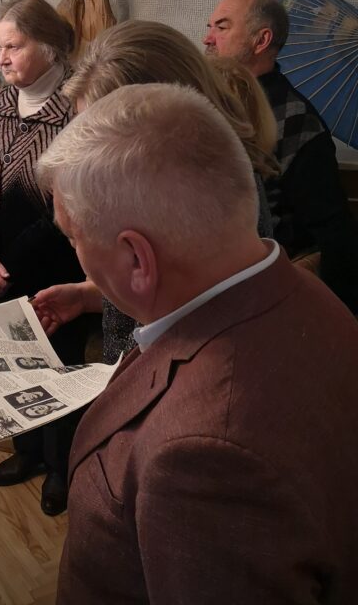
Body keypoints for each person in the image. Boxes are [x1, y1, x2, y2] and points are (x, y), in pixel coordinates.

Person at [37, 83, 358, 604]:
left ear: (137, 259)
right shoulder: (297, 290)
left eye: (73, 236)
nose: (75, 250)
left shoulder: (202, 458)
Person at [33, 20, 278, 364]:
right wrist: (89, 296)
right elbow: (164, 282)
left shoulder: (215, 192)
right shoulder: (161, 178)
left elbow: (193, 315)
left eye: (96, 134)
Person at [0, 0, 89, 515]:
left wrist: (4, 265)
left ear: (49, 47)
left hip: (56, 271)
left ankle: (61, 466)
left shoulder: (77, 107)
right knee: (14, 363)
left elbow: (69, 208)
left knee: (61, 368)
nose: (2, 58)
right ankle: (26, 450)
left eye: (14, 46)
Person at [204, 0, 358, 310]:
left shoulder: (297, 124)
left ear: (261, 41)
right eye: (210, 27)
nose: (208, 39)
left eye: (222, 27)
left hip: (264, 292)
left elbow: (333, 237)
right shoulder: (207, 105)